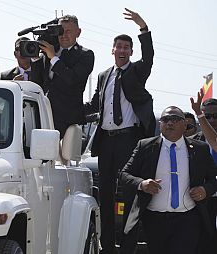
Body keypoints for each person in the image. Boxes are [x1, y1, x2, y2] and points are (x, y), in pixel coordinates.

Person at [83, 8, 155, 254]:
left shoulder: (136, 71)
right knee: (104, 194)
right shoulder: (104, 76)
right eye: (119, 47)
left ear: (131, 52)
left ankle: (127, 246)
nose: (122, 50)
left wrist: (142, 27)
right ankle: (106, 246)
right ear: (112, 50)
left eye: (127, 47)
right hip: (106, 142)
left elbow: (149, 57)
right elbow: (94, 106)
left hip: (129, 140)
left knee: (129, 193)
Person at [120, 106, 217, 254]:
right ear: (160, 124)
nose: (169, 123)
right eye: (165, 119)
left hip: (188, 219)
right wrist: (141, 184)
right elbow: (125, 174)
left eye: (175, 119)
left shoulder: (199, 149)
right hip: (154, 219)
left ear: (185, 125)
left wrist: (205, 190)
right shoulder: (145, 146)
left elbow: (213, 180)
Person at [30, 14, 94, 137]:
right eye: (61, 31)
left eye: (69, 31)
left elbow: (72, 79)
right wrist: (35, 59)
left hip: (68, 121)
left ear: (78, 32)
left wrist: (53, 58)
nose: (64, 35)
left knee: (63, 156)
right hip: (44, 116)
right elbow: (37, 84)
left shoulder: (85, 55)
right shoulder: (48, 53)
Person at [190, 90, 217, 254]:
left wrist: (199, 113)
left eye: (216, 116)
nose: (212, 120)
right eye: (208, 117)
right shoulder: (193, 142)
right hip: (202, 201)